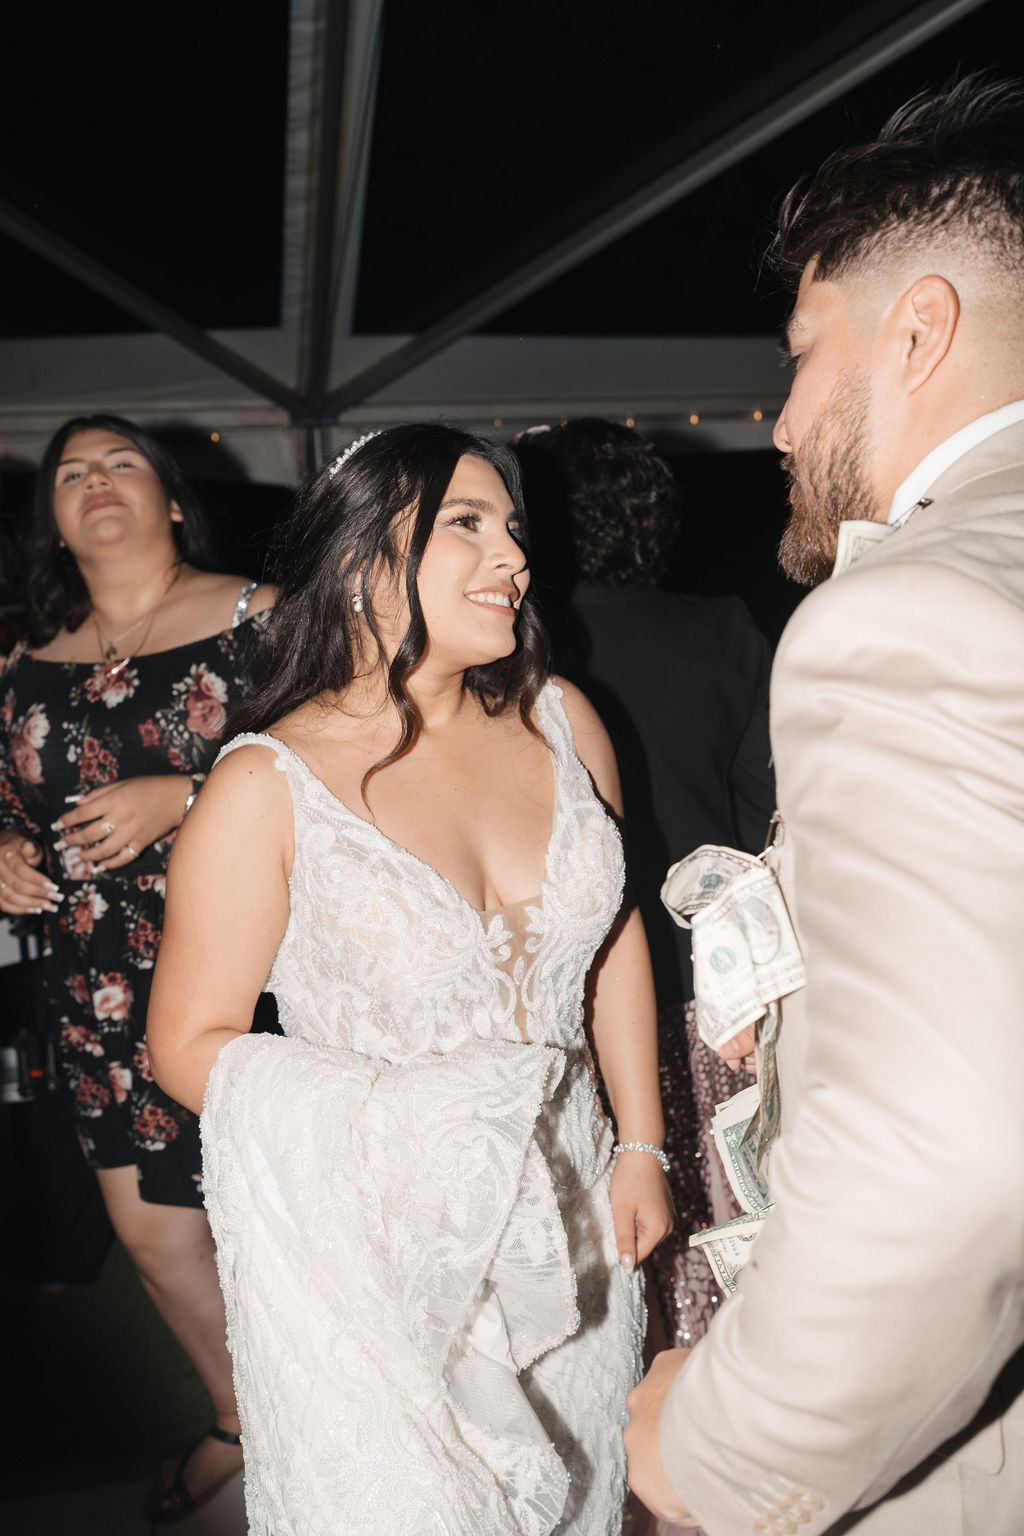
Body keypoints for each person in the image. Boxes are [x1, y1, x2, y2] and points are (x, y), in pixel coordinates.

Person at [146, 422, 674, 1535]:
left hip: (581, 1219)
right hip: (391, 1247)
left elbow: (614, 932)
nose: (515, 559)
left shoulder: (565, 717)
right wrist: (396, 1130)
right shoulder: (266, 785)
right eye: (467, 527)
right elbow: (188, 1039)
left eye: (513, 528)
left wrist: (639, 1144)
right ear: (359, 561)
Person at [625, 73, 1024, 1535]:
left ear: (919, 332)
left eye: (799, 356)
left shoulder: (909, 618)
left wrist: (723, 1451)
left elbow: (958, 1170)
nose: (776, 419)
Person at [0, 413, 275, 1521]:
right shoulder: (19, 658)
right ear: (55, 520)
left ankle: (334, 1416)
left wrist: (193, 796)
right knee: (154, 1232)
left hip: (252, 971)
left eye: (122, 464)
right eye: (72, 472)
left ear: (171, 499)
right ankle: (238, 1415)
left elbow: (359, 768)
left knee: (277, 1218)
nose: (96, 482)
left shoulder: (261, 615)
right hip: (95, 986)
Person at [514, 419, 775, 1352]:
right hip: (717, 994)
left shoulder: (518, 663)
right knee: (725, 1243)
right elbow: (764, 827)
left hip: (582, 1001)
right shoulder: (724, 630)